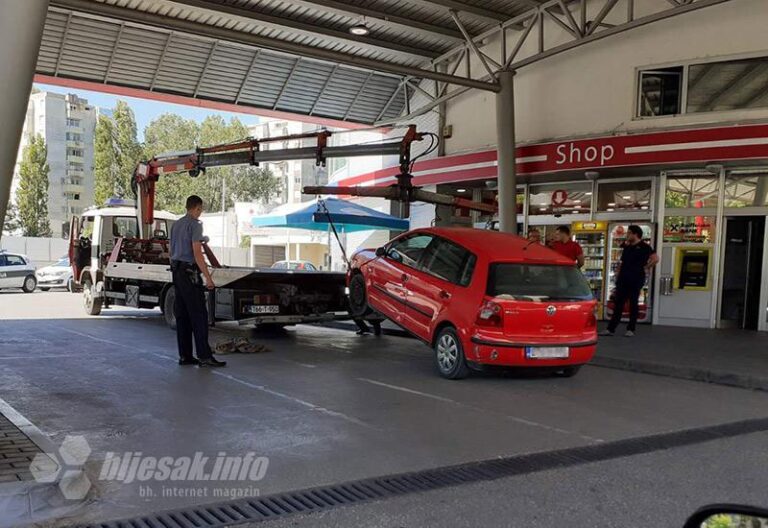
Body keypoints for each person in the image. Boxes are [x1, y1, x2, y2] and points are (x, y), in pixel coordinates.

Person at [169, 195, 226, 368]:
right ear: (196, 208)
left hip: (177, 272)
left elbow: (172, 250)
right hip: (190, 273)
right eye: (200, 209)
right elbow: (197, 253)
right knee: (199, 315)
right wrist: (208, 277)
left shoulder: (176, 225)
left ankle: (185, 355)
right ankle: (204, 356)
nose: (200, 213)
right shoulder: (195, 225)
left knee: (182, 315)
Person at [600, 225, 659, 337]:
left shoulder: (645, 247)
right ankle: (610, 329)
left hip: (636, 278)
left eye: (629, 233)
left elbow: (655, 258)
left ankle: (631, 329)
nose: (627, 235)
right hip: (623, 278)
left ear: (635, 234)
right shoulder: (627, 247)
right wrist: (618, 273)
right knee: (619, 303)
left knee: (633, 303)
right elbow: (623, 262)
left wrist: (646, 267)